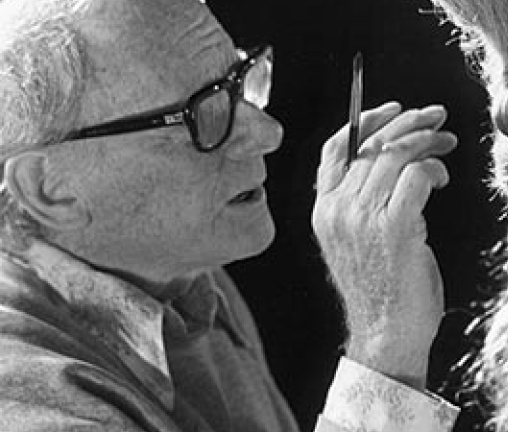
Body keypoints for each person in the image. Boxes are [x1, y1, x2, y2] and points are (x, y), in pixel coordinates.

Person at [0, 0, 461, 430]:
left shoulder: (179, 272)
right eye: (199, 114)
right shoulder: (25, 403)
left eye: (239, 81)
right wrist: (385, 348)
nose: (269, 133)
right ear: (50, 190)